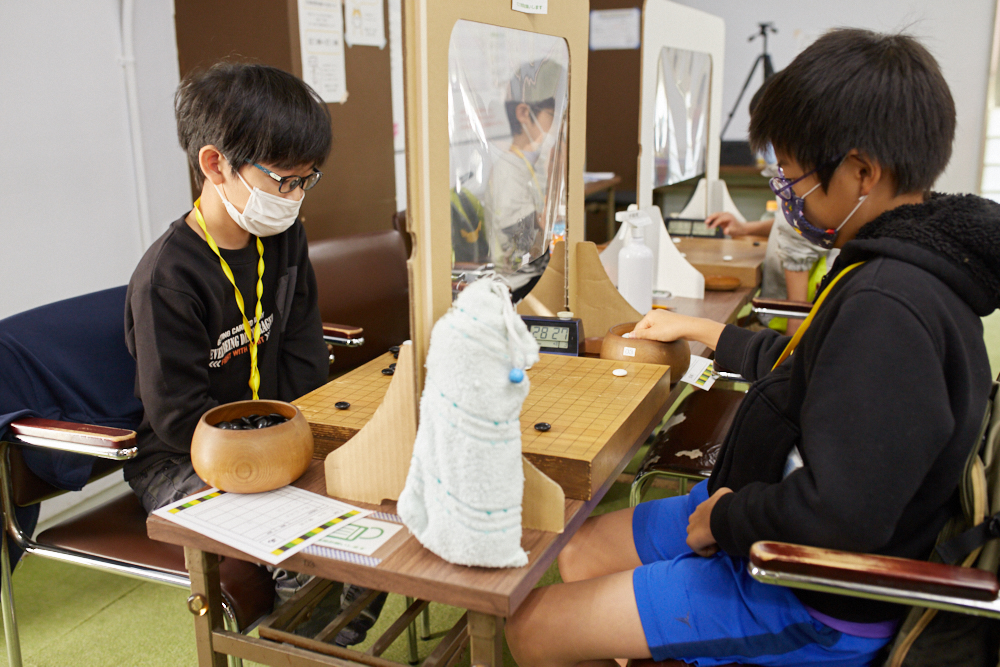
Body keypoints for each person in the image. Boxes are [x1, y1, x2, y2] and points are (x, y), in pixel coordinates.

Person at [506, 28, 1000, 667]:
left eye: (794, 176)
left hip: (811, 594)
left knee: (535, 627)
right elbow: (818, 375)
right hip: (770, 516)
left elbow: (840, 518)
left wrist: (727, 519)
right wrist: (707, 333)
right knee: (580, 551)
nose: (784, 194)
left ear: (861, 173)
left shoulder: (891, 305)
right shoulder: (895, 262)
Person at [124, 61, 383, 644]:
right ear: (215, 164)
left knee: (378, 500)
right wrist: (280, 466)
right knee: (299, 537)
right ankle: (297, 649)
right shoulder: (168, 277)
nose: (292, 198)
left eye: (305, 180)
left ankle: (328, 645)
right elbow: (173, 417)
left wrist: (307, 448)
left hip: (279, 435)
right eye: (280, 180)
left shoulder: (283, 236)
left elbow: (304, 352)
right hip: (184, 458)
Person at [482, 59, 566, 301]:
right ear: (523, 113)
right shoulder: (507, 172)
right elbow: (528, 243)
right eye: (553, 115)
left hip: (539, 279)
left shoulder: (531, 166)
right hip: (517, 288)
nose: (560, 125)